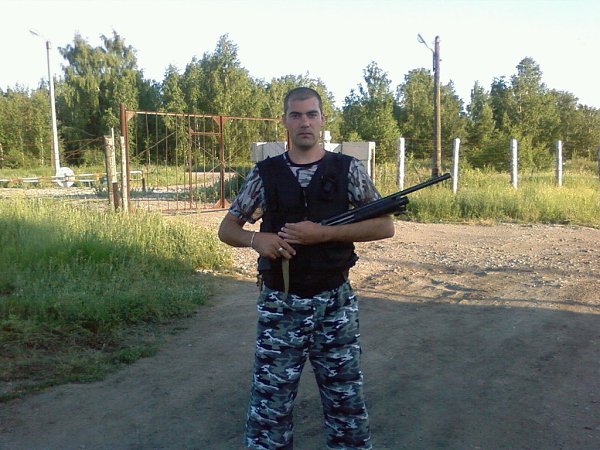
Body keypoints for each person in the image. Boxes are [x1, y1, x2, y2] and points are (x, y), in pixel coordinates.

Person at [218, 86, 395, 450]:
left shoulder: (347, 169)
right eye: (296, 115)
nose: (304, 122)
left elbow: (384, 226)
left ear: (322, 120)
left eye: (311, 114)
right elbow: (227, 229)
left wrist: (324, 234)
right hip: (281, 304)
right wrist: (256, 240)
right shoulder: (265, 173)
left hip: (335, 303)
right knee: (271, 405)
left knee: (345, 402)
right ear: (284, 121)